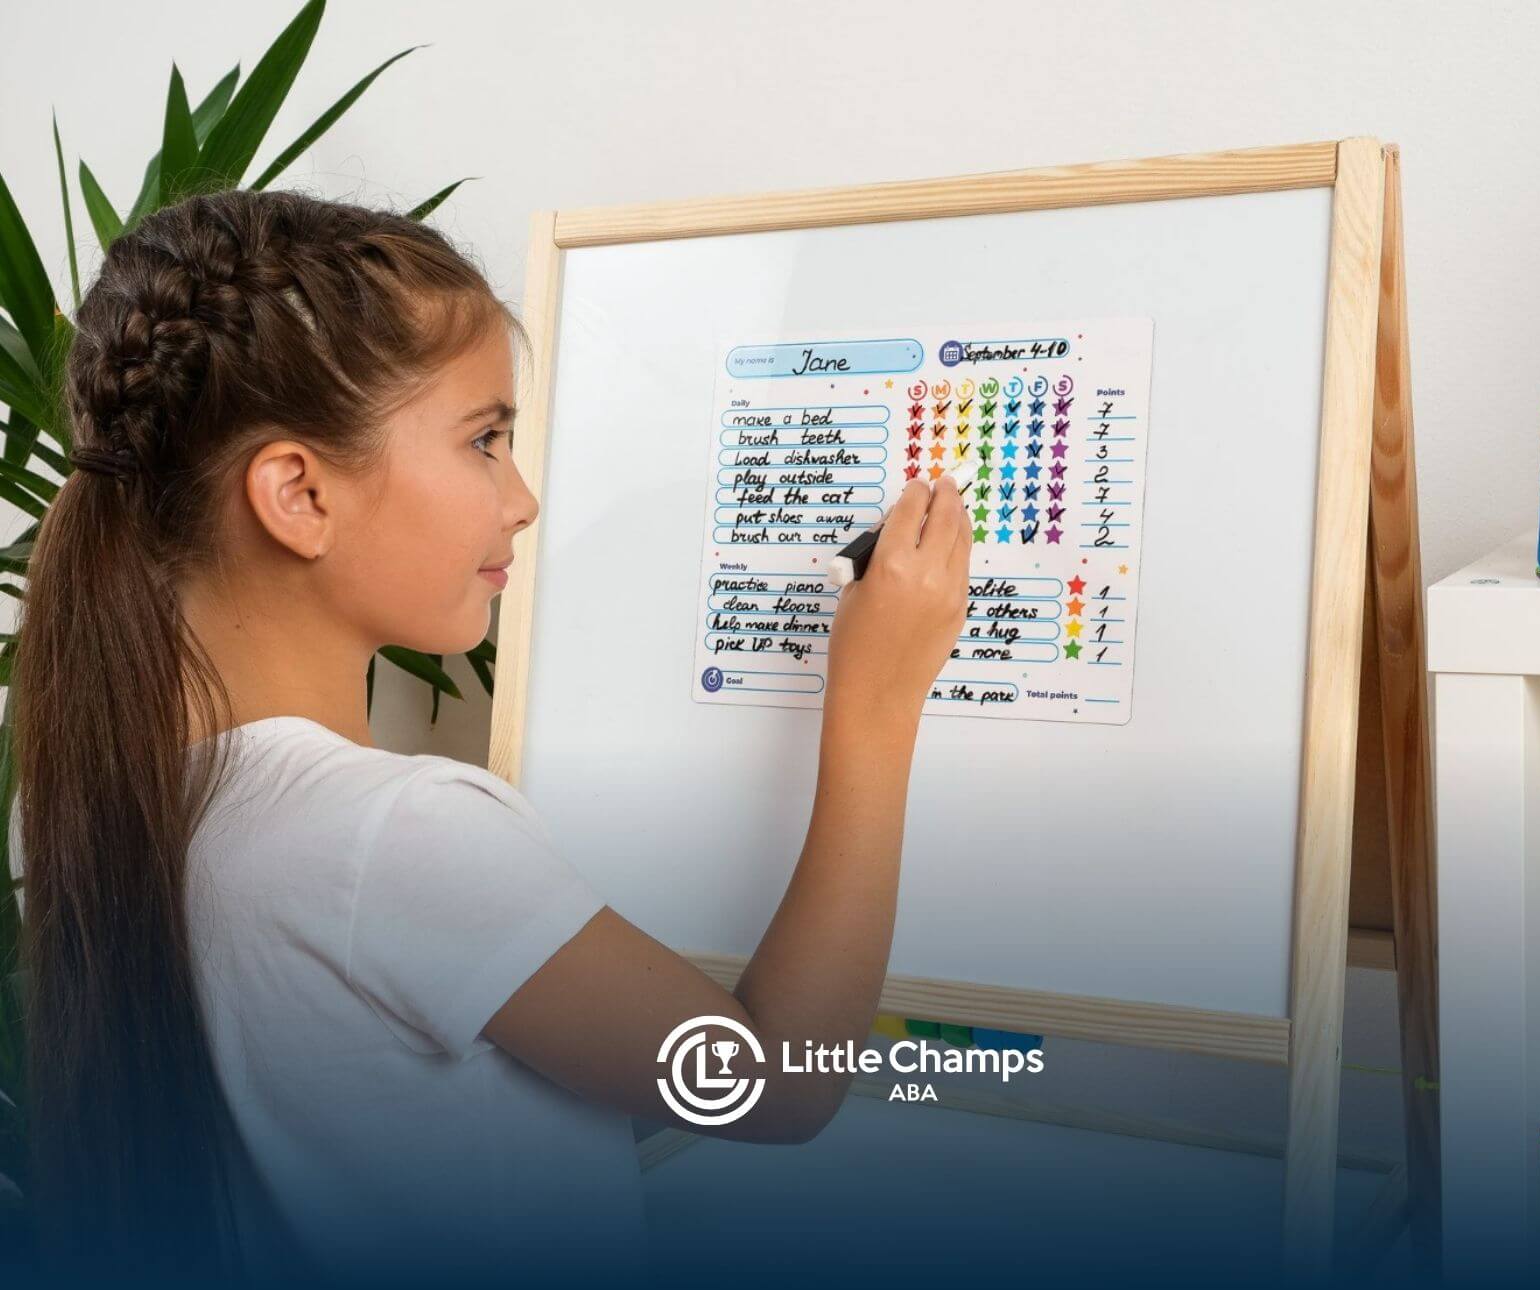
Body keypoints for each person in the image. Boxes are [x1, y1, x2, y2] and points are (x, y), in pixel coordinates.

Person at [5, 188, 969, 1285]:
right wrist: (879, 704)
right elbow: (772, 1087)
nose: (521, 501)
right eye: (484, 439)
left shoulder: (86, 797)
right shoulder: (397, 834)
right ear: (298, 495)